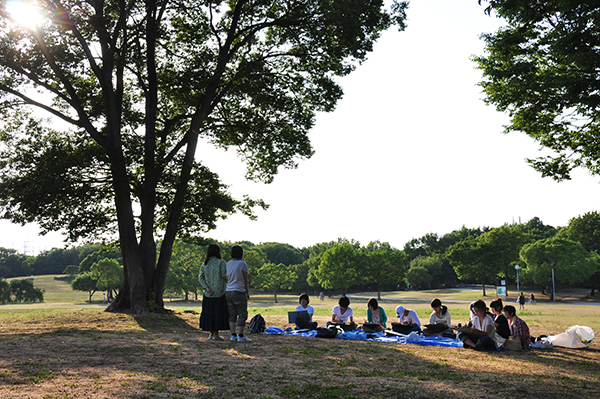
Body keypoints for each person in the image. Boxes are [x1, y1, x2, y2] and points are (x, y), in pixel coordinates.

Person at [198, 243, 229, 341]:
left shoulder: (205, 264)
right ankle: (216, 334)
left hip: (208, 294)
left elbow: (200, 278)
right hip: (219, 293)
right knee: (218, 313)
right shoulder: (221, 262)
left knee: (209, 313)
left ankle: (211, 334)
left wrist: (206, 288)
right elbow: (224, 275)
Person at [226, 245, 252, 343]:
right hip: (239, 290)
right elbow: (245, 280)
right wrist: (247, 292)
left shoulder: (228, 264)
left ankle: (233, 335)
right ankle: (241, 335)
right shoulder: (242, 264)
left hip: (228, 291)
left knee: (232, 314)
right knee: (242, 313)